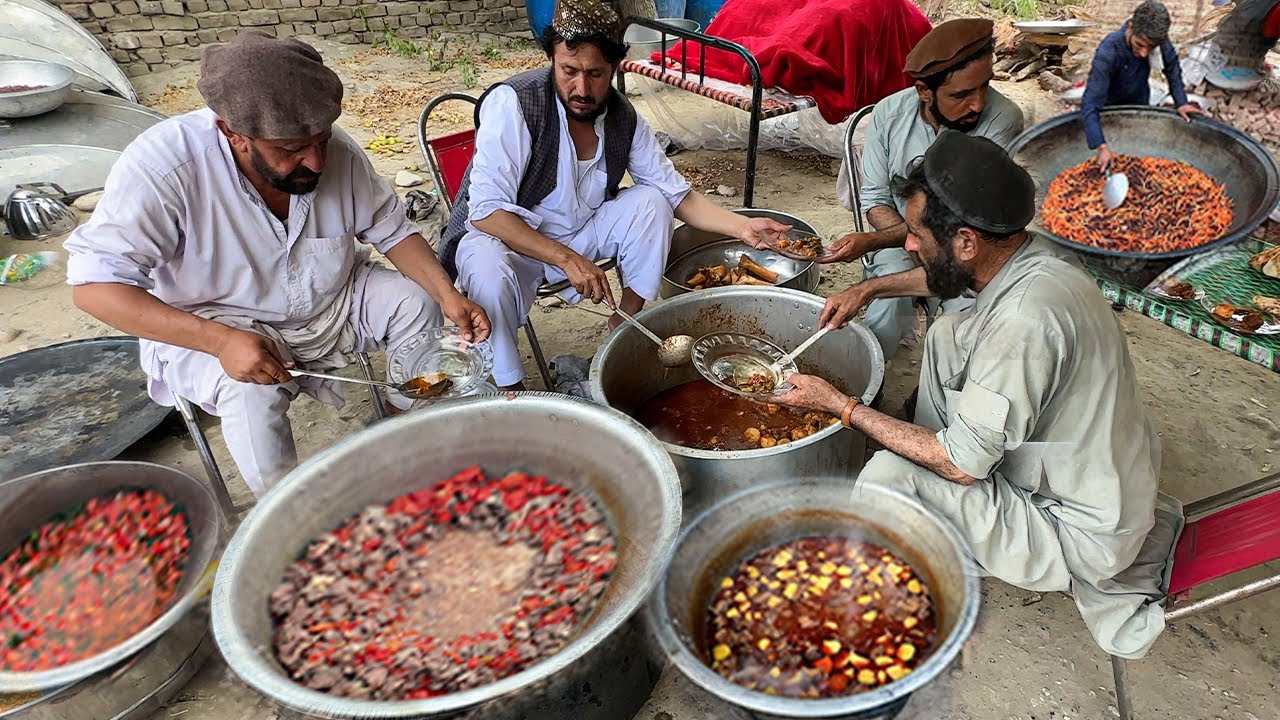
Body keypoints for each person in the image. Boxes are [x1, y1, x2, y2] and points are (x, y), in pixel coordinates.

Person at [774, 131, 1183, 659]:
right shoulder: (1030, 254)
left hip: (1078, 530)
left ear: (967, 241)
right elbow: (947, 278)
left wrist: (841, 407)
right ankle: (936, 501)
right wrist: (870, 288)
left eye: (916, 234)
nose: (907, 245)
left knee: (884, 478)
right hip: (1098, 476)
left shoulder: (1023, 325)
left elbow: (962, 467)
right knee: (948, 333)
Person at [64, 33, 491, 497]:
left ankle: (400, 428)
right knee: (248, 391)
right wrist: (220, 342)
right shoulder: (164, 168)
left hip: (331, 302)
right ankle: (292, 508)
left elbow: (393, 231)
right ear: (233, 133)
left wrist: (447, 294)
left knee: (415, 301)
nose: (316, 161)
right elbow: (95, 288)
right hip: (217, 321)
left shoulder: (335, 152)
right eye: (290, 150)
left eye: (321, 140)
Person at [440, 0, 792, 390]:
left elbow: (676, 195)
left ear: (614, 68)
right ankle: (511, 391)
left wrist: (742, 227)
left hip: (579, 233)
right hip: (508, 242)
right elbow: (486, 212)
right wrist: (566, 259)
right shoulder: (515, 103)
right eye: (569, 71)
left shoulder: (623, 117)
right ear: (552, 59)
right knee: (485, 265)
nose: (581, 89)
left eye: (595, 74)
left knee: (652, 202)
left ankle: (621, 324)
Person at [818, 18, 1025, 363]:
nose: (978, 104)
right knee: (886, 303)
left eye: (984, 86)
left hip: (966, 246)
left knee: (961, 320)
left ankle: (942, 388)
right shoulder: (889, 114)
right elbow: (875, 200)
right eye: (961, 94)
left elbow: (965, 218)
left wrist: (874, 240)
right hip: (897, 237)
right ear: (924, 91)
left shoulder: (1002, 119)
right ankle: (866, 377)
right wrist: (910, 240)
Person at [1083, 0, 1203, 170]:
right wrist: (1100, 146)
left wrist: (1181, 102)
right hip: (1109, 106)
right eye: (1139, 45)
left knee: (1137, 158)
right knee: (1111, 149)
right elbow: (1091, 101)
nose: (1144, 53)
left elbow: (1173, 70)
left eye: (1150, 48)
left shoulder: (1159, 42)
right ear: (1130, 28)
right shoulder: (1109, 50)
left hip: (1139, 100)